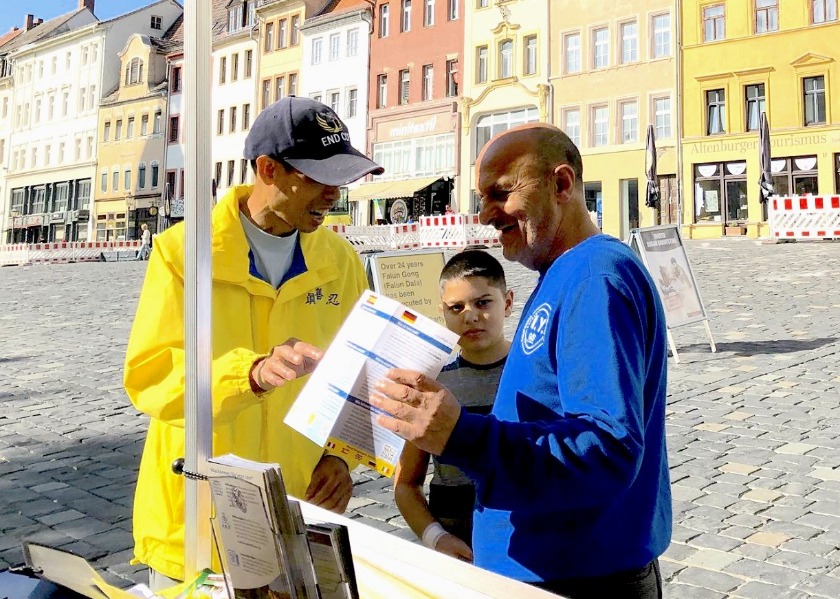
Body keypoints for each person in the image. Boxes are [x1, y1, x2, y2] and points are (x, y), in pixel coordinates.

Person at [371, 123, 671, 598]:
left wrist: (461, 435)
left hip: (579, 577)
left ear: (562, 184)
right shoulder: (562, 272)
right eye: (481, 196)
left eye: (502, 193)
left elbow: (608, 447)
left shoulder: (595, 275)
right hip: (557, 566)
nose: (487, 213)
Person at [124, 97, 383, 589]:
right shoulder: (184, 253)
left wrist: (341, 458)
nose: (335, 193)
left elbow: (359, 376)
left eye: (341, 177)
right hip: (196, 521)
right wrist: (250, 374)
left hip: (297, 513)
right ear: (268, 169)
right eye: (319, 177)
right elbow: (151, 376)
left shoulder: (341, 260)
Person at [394, 250, 513, 563]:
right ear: (442, 314)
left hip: (521, 535)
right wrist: (436, 538)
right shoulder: (432, 385)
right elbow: (406, 482)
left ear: (509, 303)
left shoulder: (532, 371)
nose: (470, 315)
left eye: (483, 302)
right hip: (455, 536)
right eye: (456, 307)